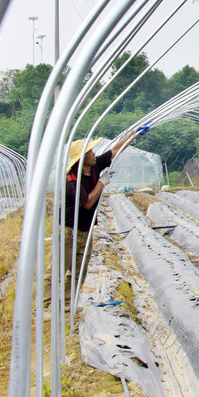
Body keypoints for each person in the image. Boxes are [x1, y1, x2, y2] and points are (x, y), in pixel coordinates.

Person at [62, 125, 148, 295]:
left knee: (79, 271)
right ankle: (48, 306)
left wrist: (134, 134)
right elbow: (86, 203)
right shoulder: (72, 179)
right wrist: (102, 182)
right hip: (68, 230)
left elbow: (116, 150)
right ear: (81, 159)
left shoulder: (94, 166)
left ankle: (67, 304)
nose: (94, 154)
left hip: (86, 230)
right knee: (59, 268)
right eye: (90, 153)